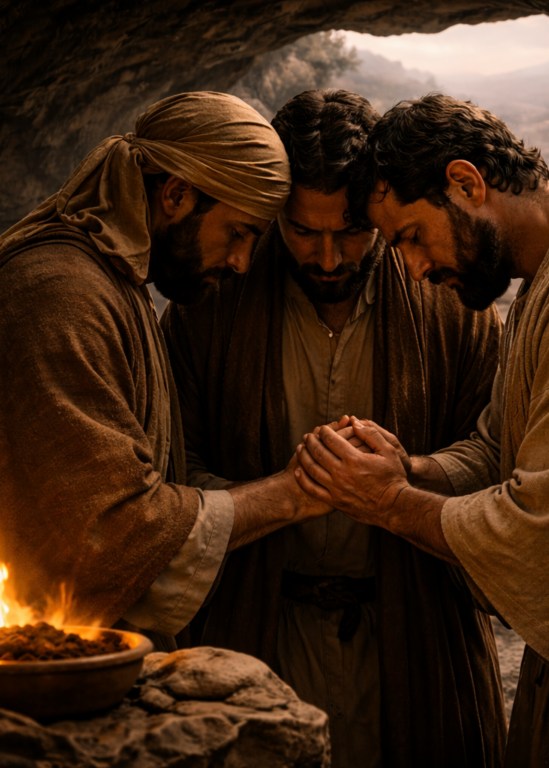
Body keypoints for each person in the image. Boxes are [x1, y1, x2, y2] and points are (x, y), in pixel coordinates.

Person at [294, 93, 549, 767]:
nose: (417, 271)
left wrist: (392, 505)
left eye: (410, 238)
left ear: (466, 183)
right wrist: (411, 470)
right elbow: (502, 449)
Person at [161, 89, 506, 768]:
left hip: (415, 639)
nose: (326, 258)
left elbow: (497, 452)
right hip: (256, 631)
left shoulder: (449, 295)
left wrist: (402, 478)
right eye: (301, 231)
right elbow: (171, 467)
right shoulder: (211, 302)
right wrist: (285, 493)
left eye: (350, 231)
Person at [0, 91, 320, 652]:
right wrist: (292, 494)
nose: (242, 262)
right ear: (175, 195)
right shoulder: (63, 298)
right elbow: (108, 531)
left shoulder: (104, 280)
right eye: (238, 232)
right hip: (19, 669)